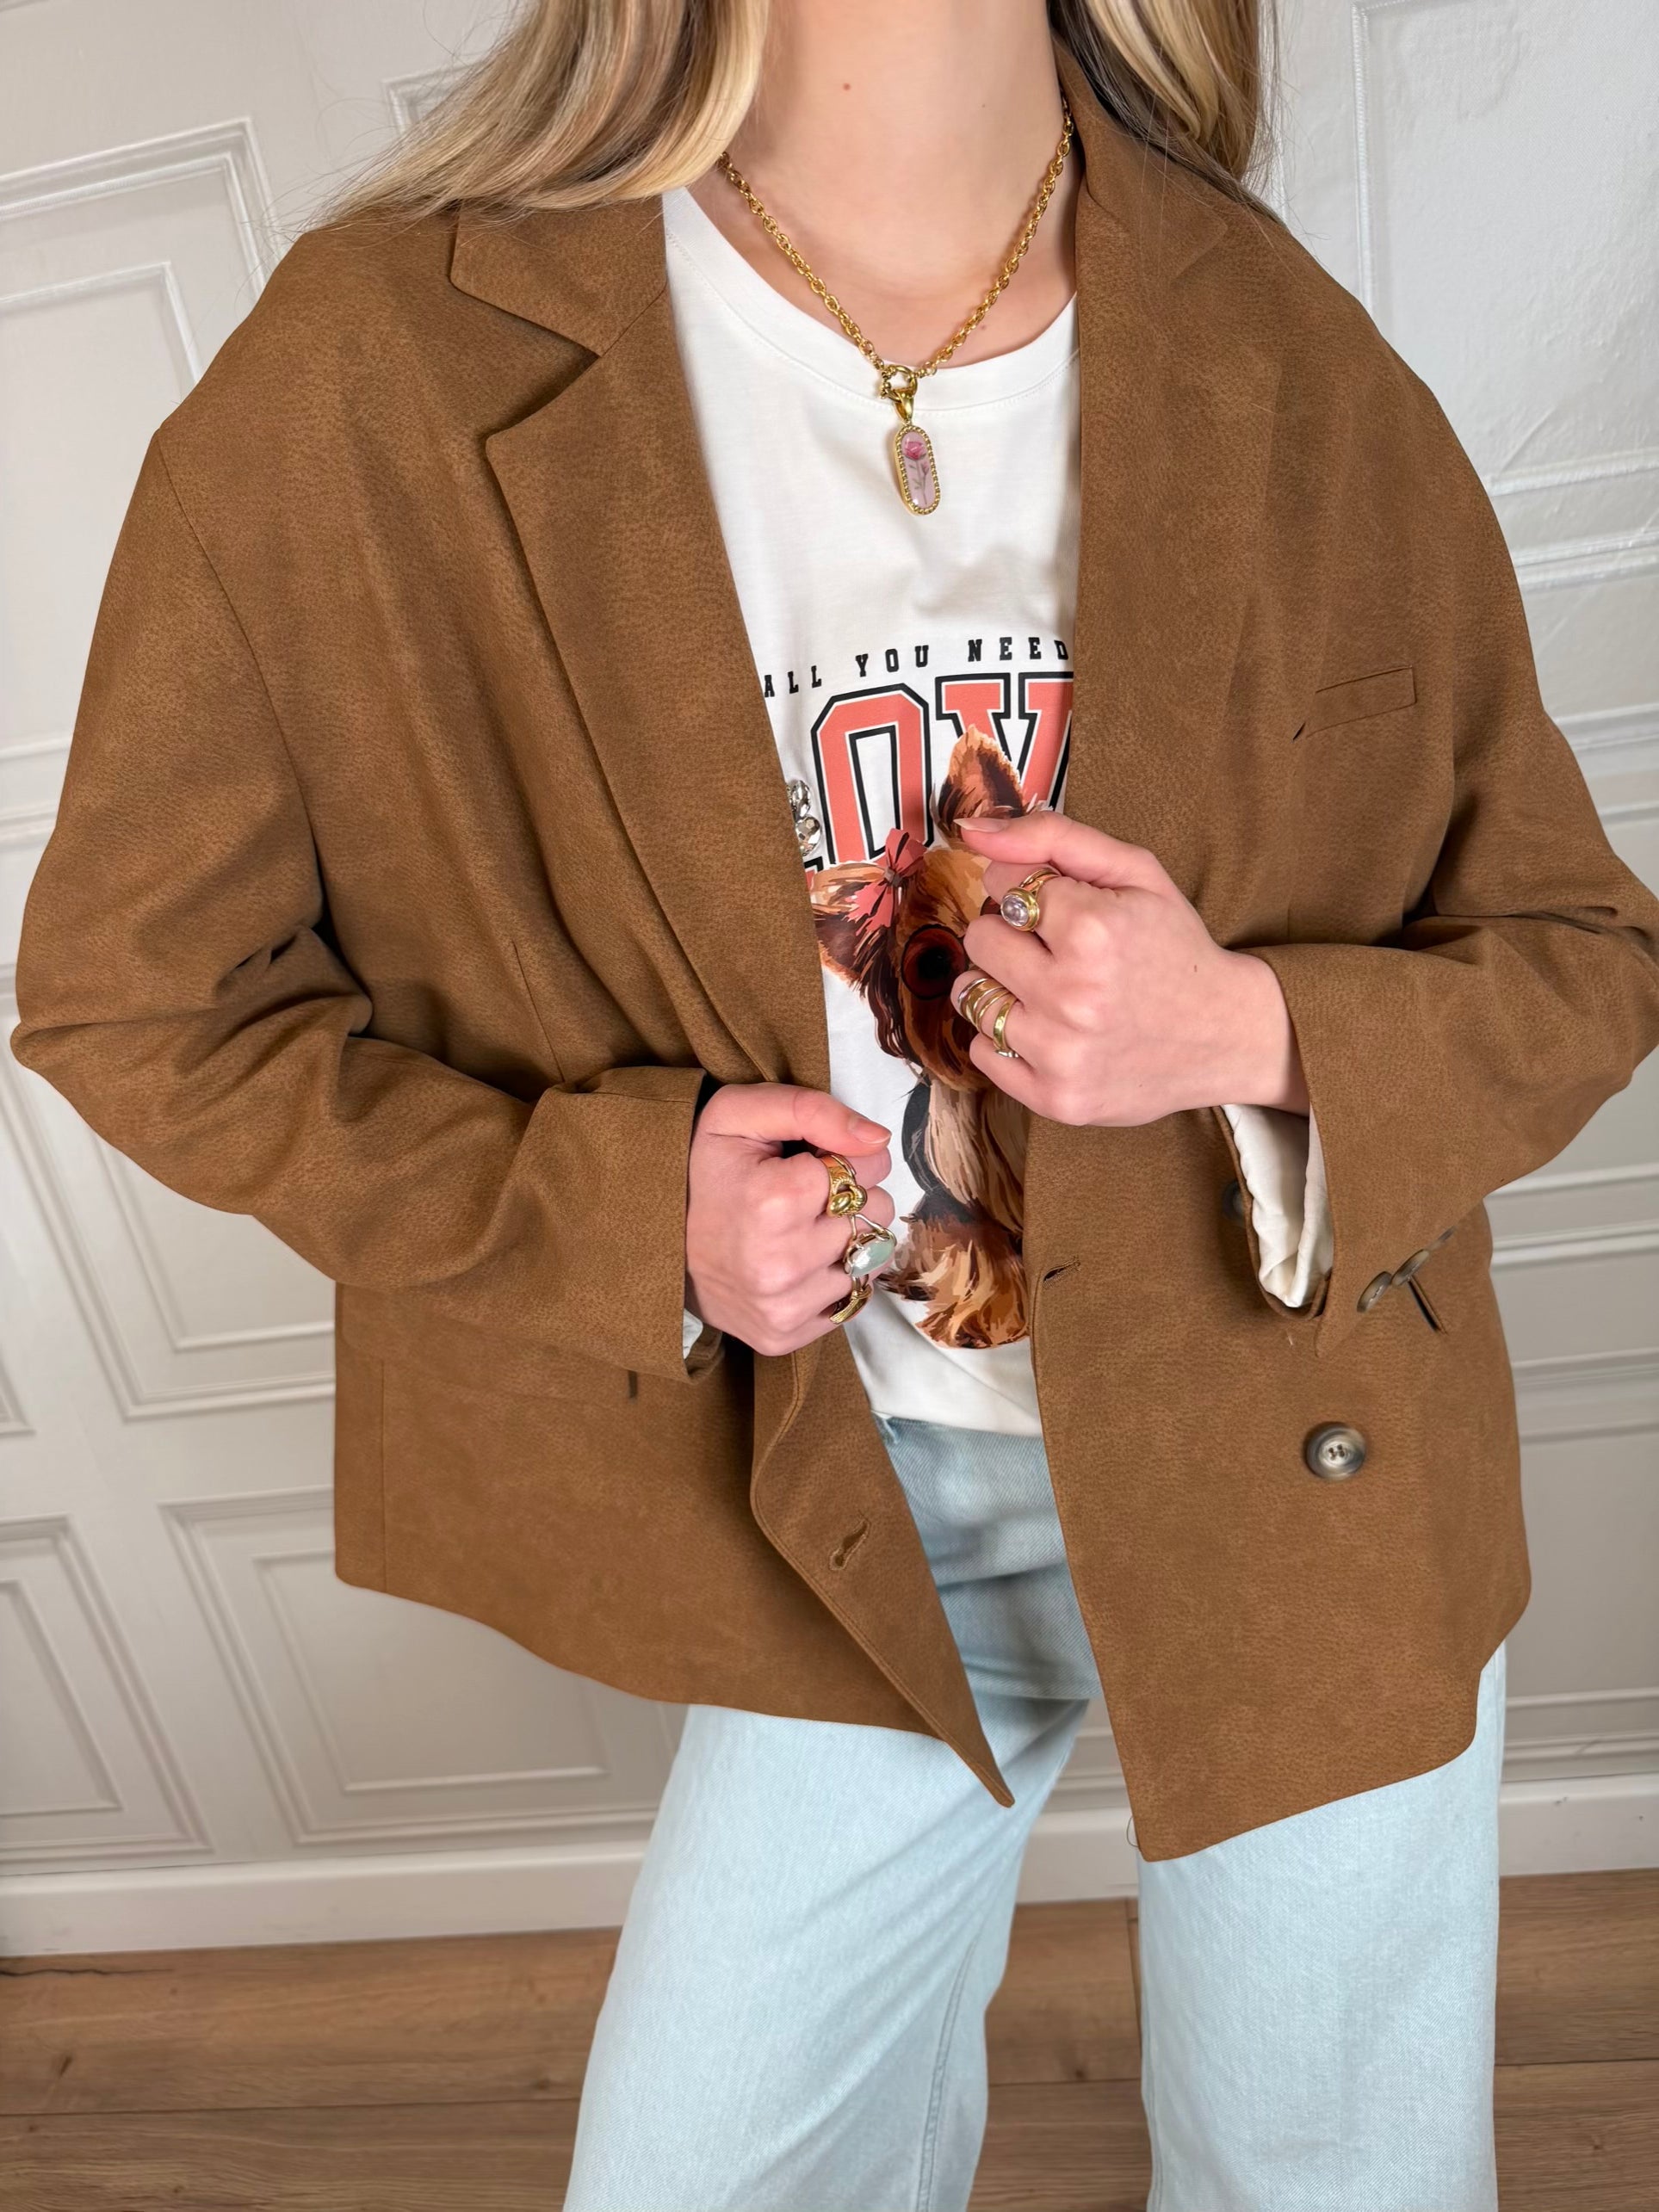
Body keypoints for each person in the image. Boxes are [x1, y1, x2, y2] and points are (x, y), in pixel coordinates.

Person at [12, 2, 1659, 2205]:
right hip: (845, 1503)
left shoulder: (1286, 351)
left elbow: (1578, 949)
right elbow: (140, 997)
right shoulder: (376, 369)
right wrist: (621, 1209)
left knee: (1340, 2173)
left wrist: (1248, 1032)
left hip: (1298, 1447)